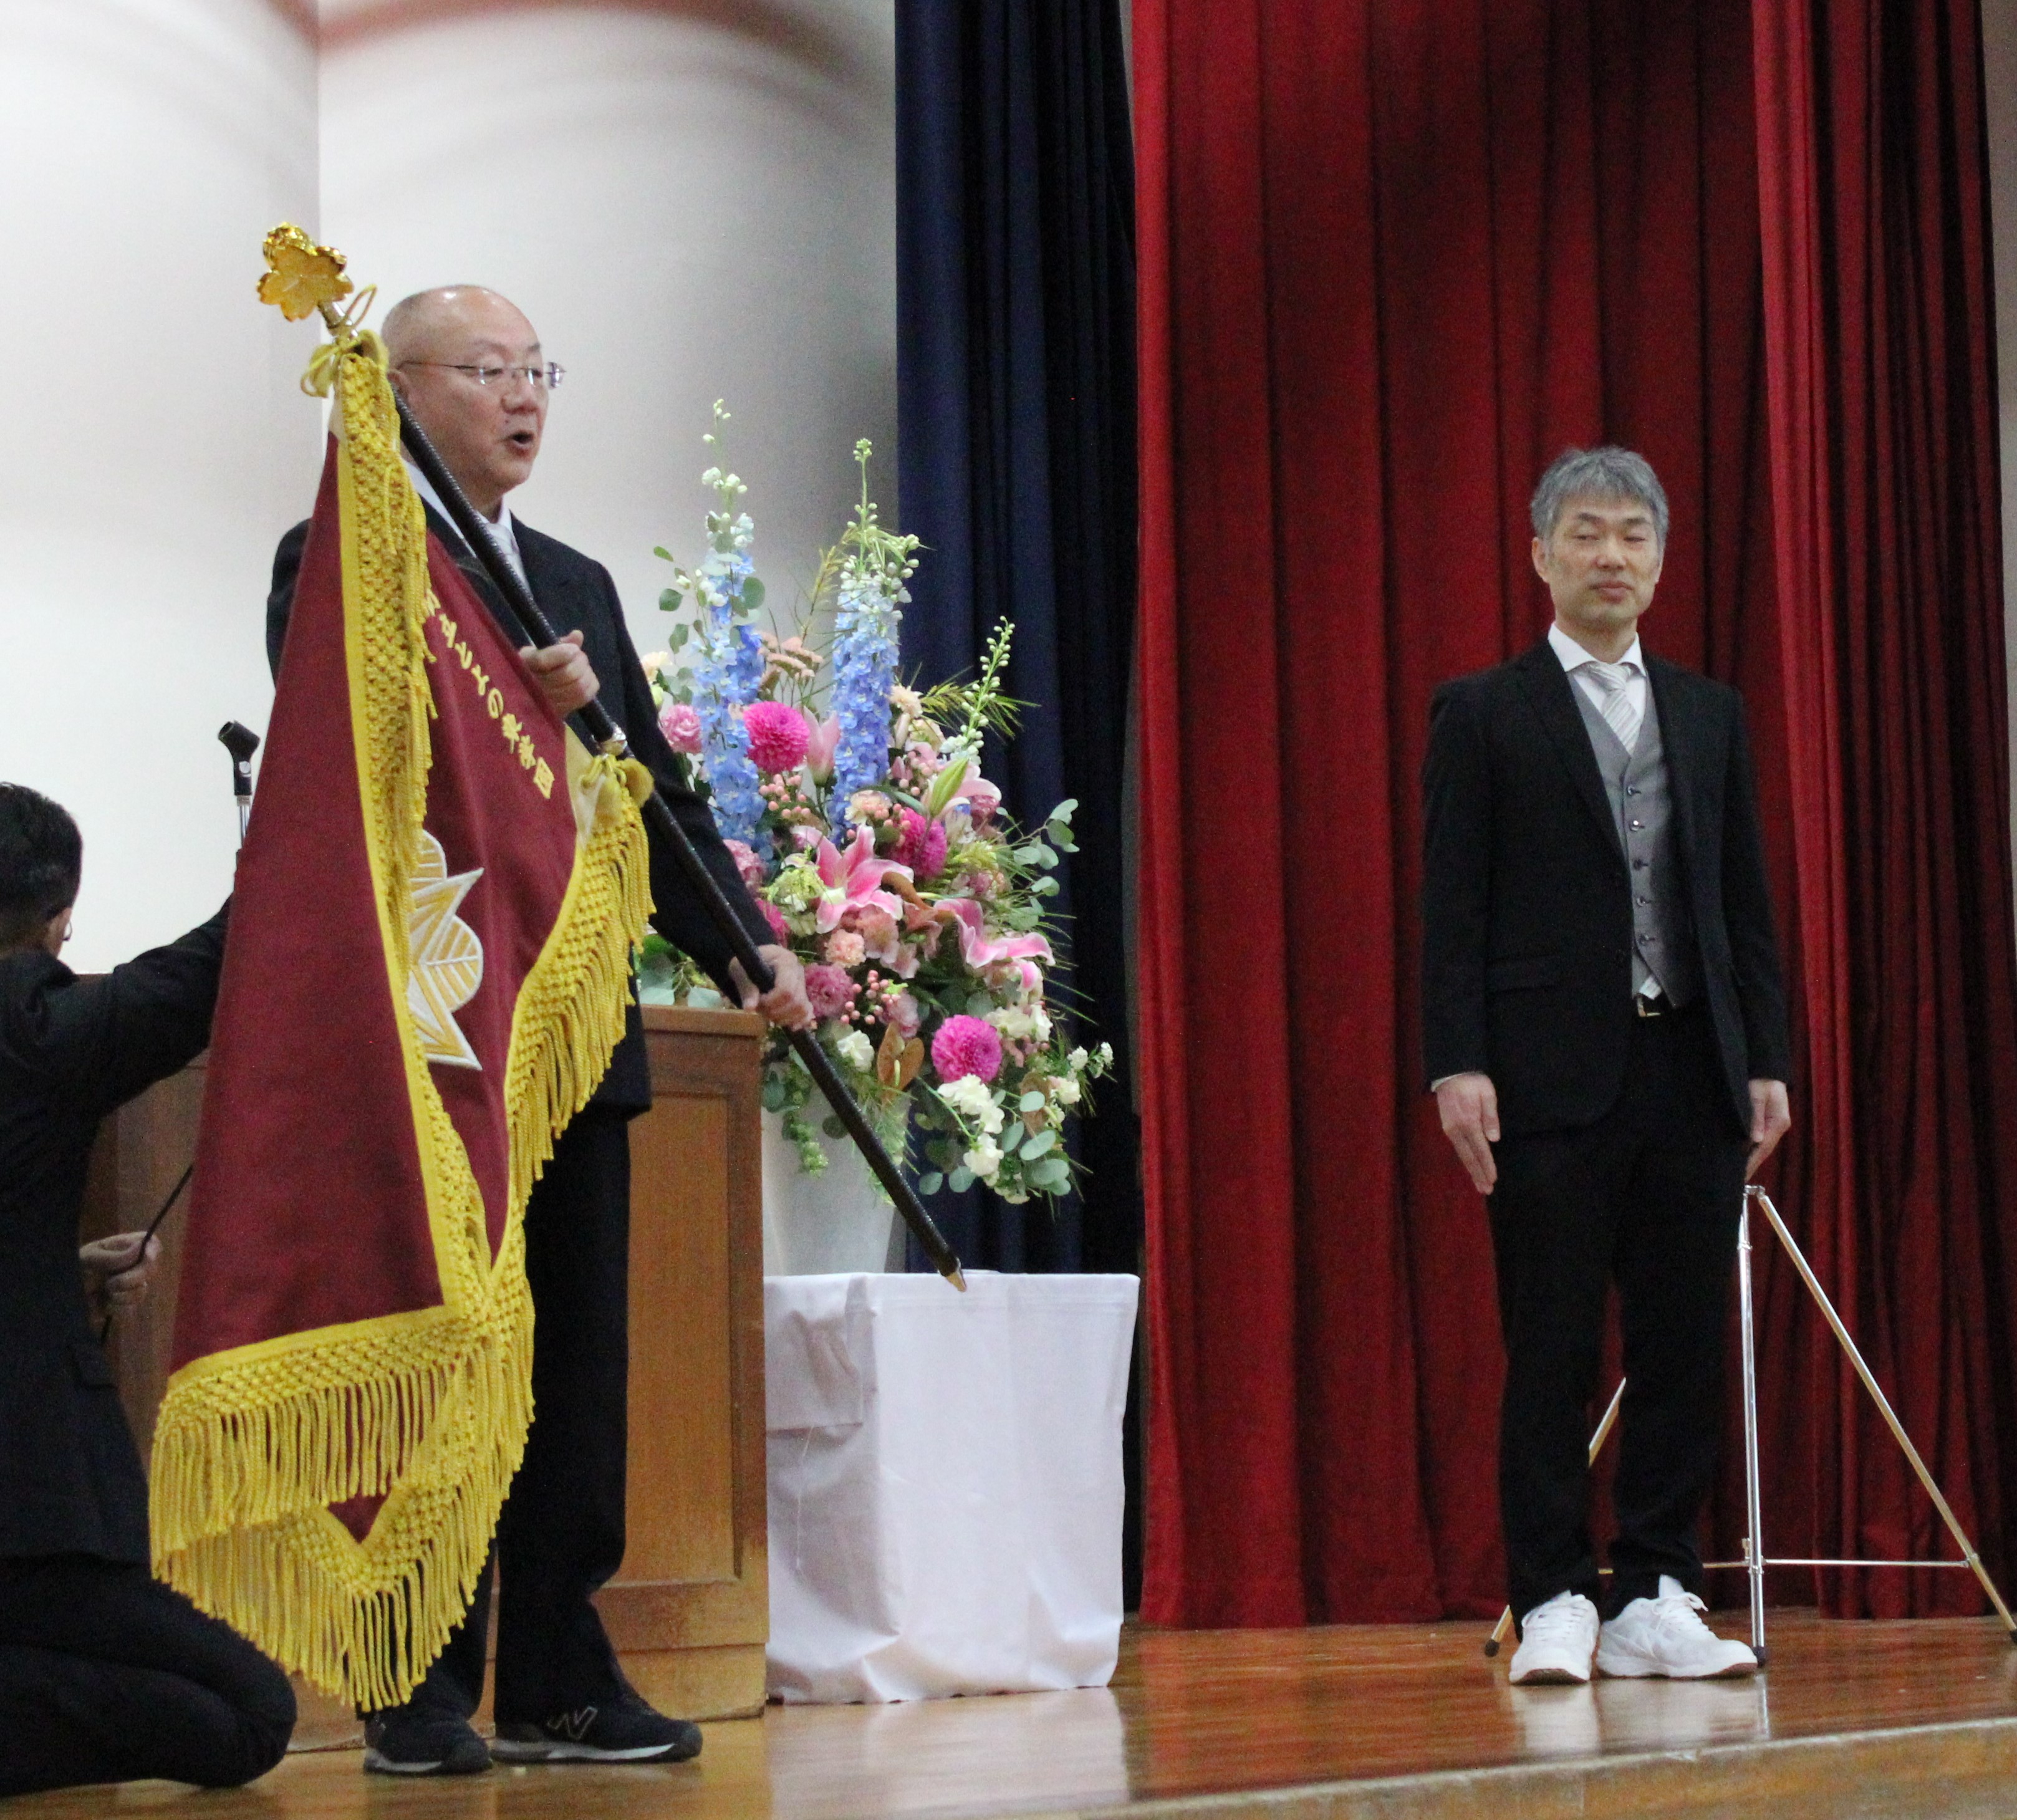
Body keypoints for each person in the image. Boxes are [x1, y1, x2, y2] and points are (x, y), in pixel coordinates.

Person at [266, 285, 813, 1776]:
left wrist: (750, 937)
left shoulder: (571, 576)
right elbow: (356, 765)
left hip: (576, 1032)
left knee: (575, 1359)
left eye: (537, 371)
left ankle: (561, 1672)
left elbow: (649, 794)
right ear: (403, 388)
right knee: (454, 1357)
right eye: (487, 370)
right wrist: (517, 693)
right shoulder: (341, 554)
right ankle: (415, 1685)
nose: (522, 398)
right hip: (443, 1041)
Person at [1421, 446, 1793, 1687]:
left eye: (1634, 534)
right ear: (1539, 553)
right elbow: (1450, 906)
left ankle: (1655, 1586)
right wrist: (1455, 1061)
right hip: (1542, 1074)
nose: (1611, 555)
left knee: (1682, 1338)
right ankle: (1551, 1595)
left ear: (1660, 556)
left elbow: (1740, 901)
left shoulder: (1706, 711)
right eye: (1585, 532)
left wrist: (1764, 1056)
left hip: (1689, 1063)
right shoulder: (1483, 710)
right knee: (1552, 1338)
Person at [0, 782, 297, 1798]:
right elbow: (213, 966)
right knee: (249, 1715)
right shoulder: (31, 1026)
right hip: (33, 1513)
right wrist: (308, 817)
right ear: (55, 921)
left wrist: (60, 1266)